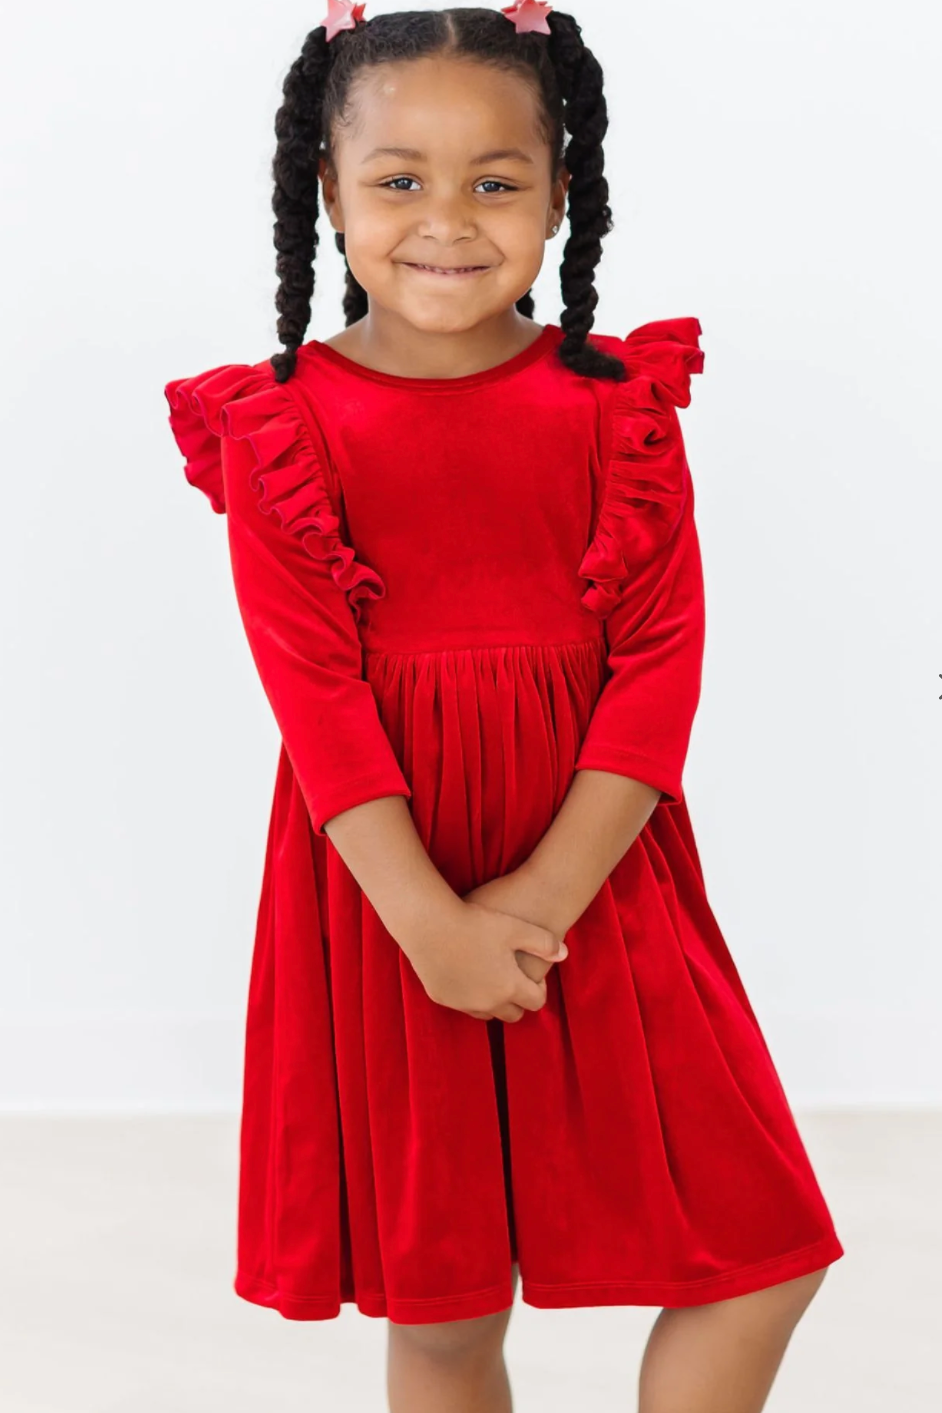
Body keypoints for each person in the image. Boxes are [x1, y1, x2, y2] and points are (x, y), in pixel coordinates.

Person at [164, 3, 844, 1409]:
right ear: (328, 193)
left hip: (598, 871)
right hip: (389, 890)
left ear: (559, 194)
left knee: (759, 1257)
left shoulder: (617, 409)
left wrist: (535, 904)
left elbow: (658, 668)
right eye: (398, 178)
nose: (446, 220)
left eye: (494, 180)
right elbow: (316, 699)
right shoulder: (282, 427)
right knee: (447, 1307)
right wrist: (433, 928)